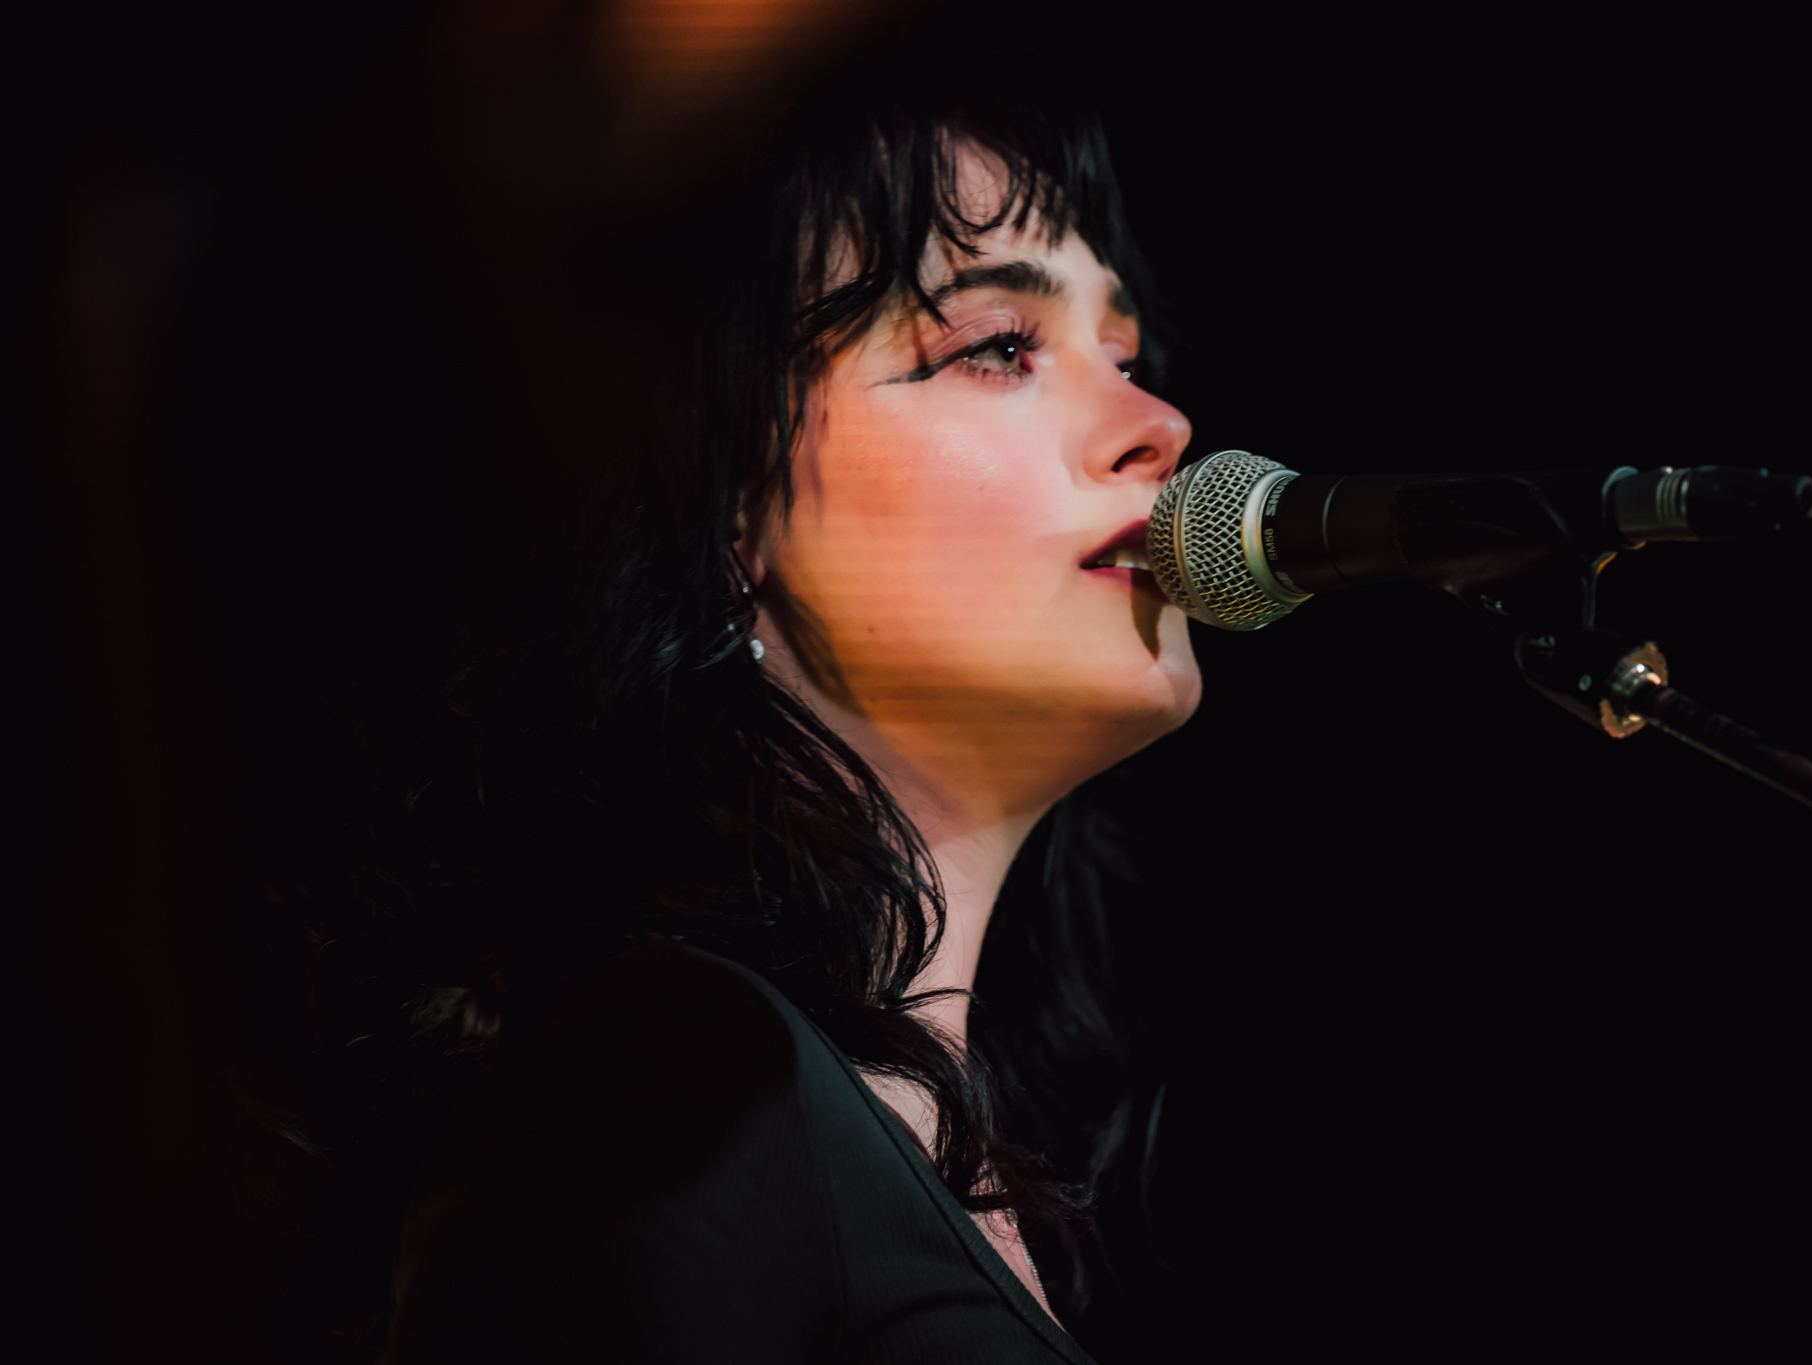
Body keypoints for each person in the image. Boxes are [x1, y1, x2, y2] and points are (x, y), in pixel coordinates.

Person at [301, 47, 1199, 1362]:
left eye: (1123, 351)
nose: (1159, 423)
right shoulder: (662, 1079)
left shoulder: (925, 1156)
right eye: (1001, 346)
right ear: (721, 497)